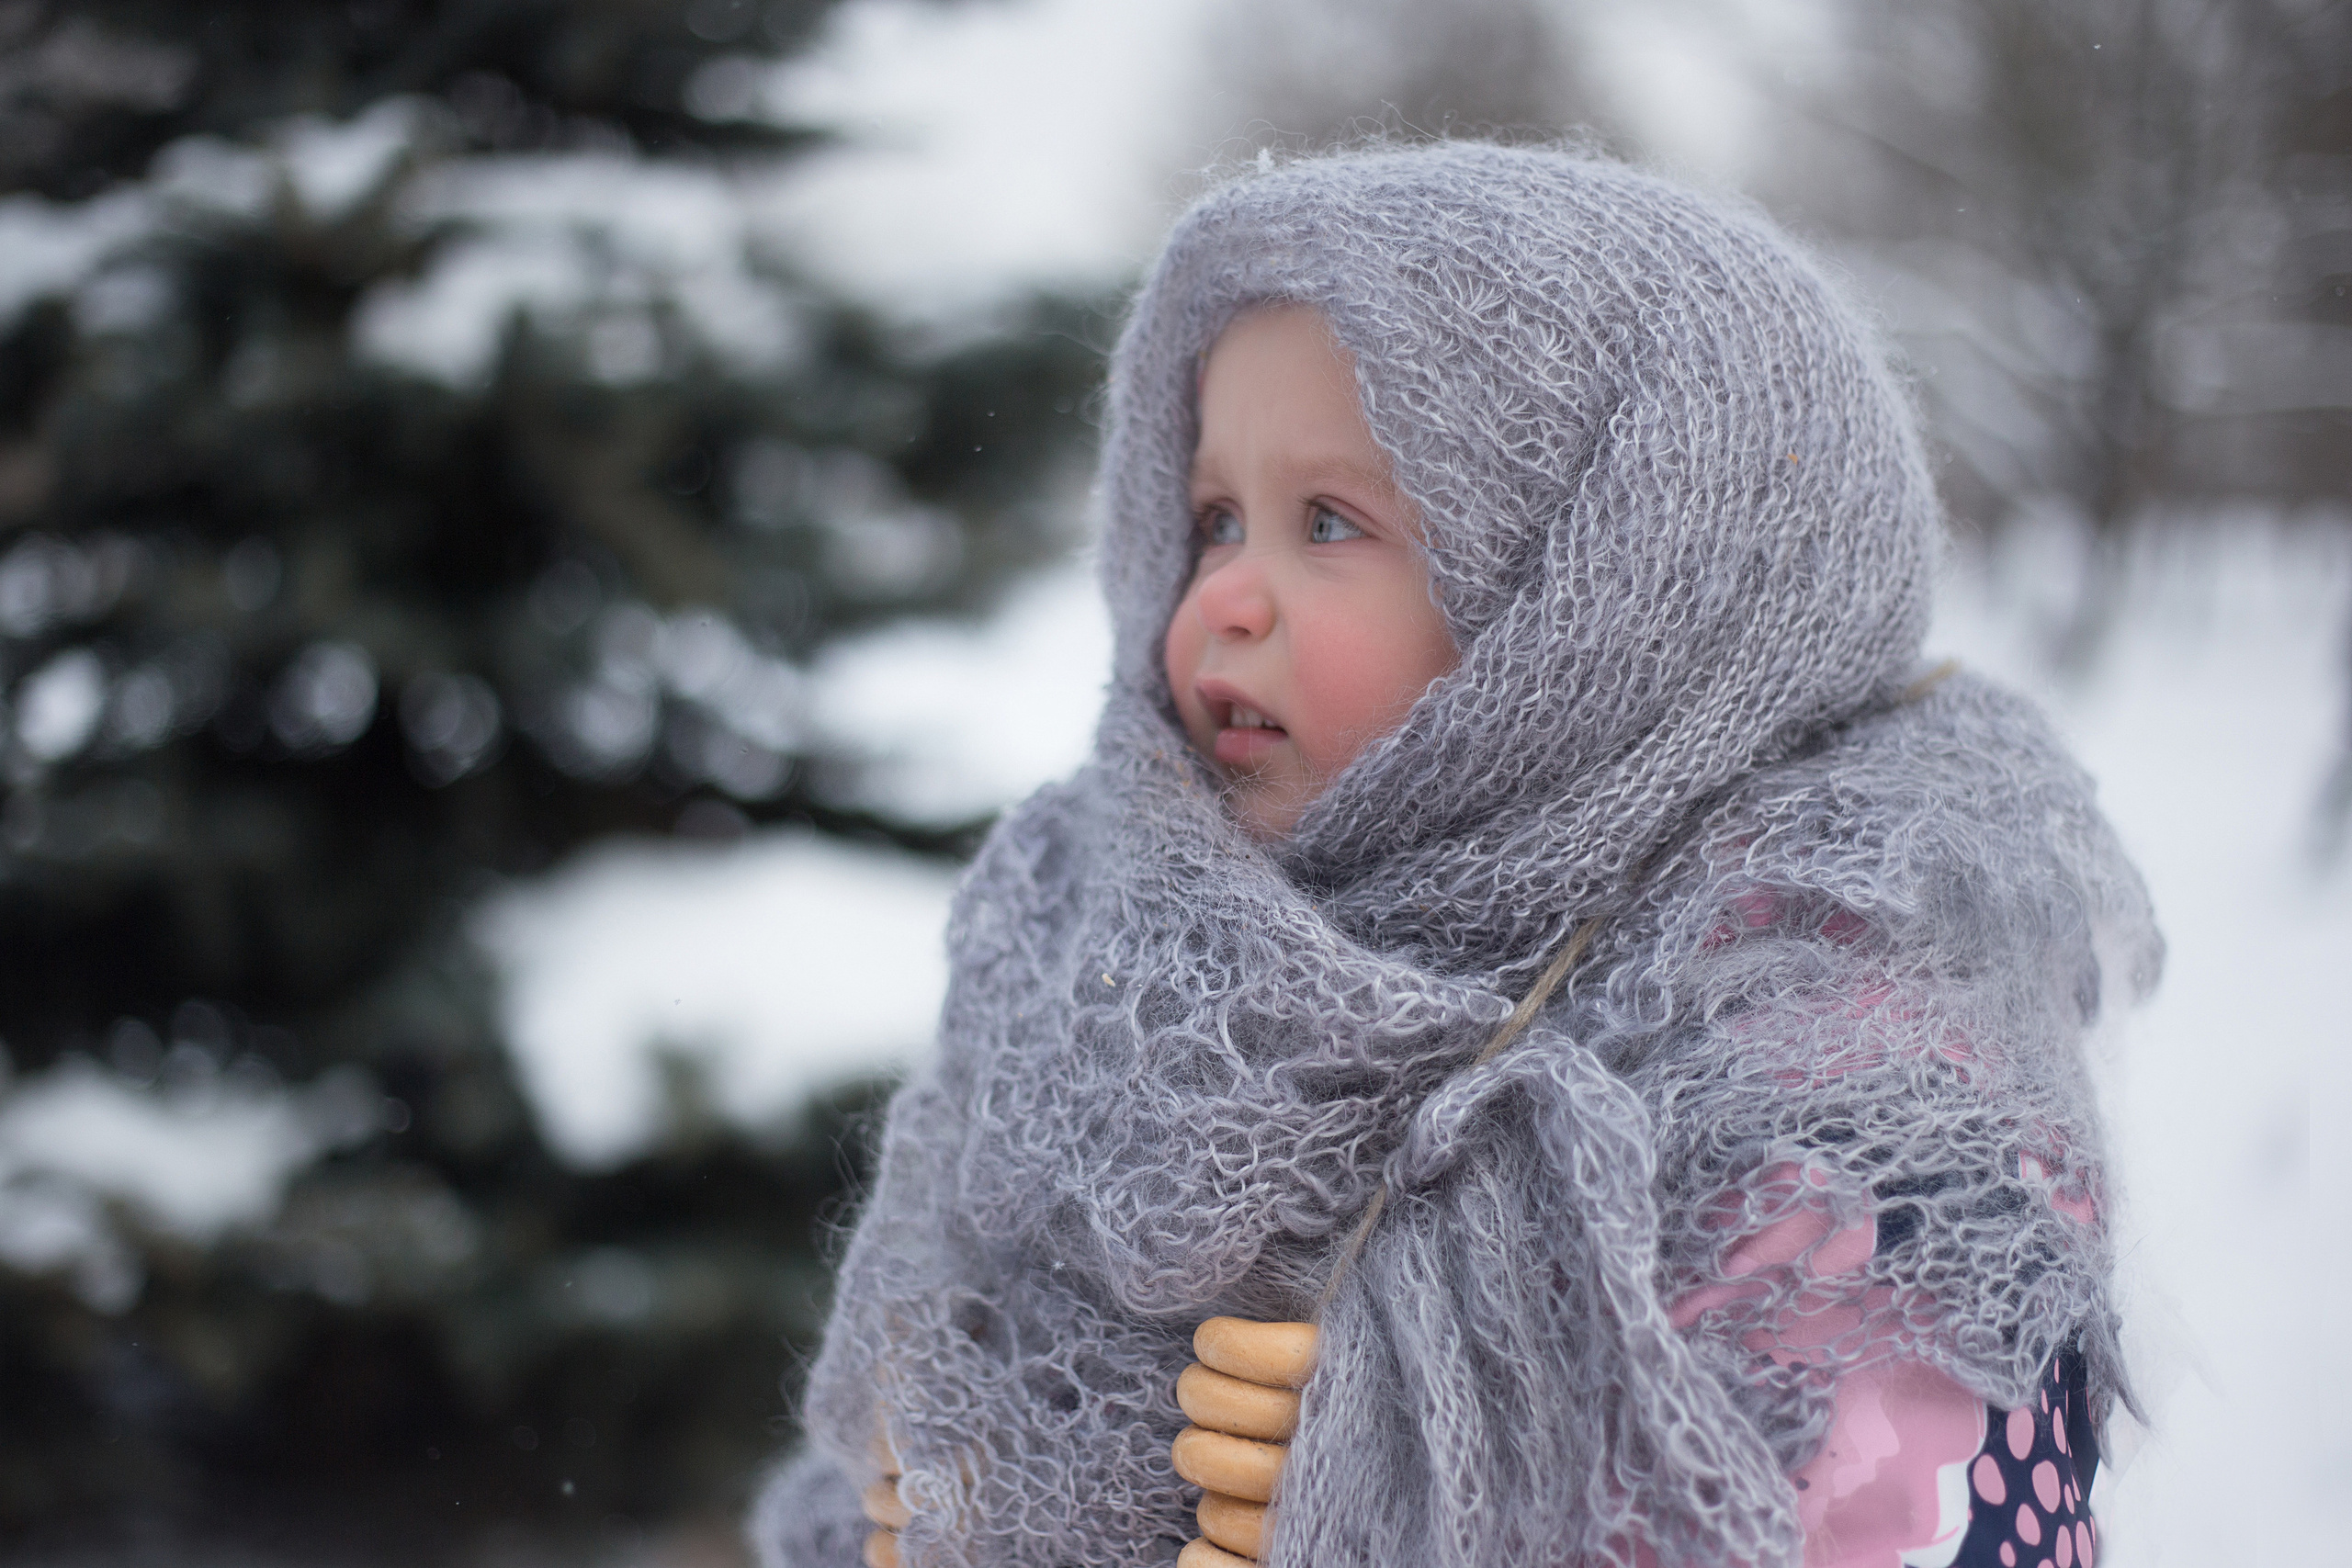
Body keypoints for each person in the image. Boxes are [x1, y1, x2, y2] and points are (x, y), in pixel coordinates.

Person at [750, 142, 2159, 1568]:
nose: (1224, 594)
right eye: (1211, 518)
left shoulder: (1850, 1087)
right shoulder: (1114, 954)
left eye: (1331, 522)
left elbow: (1891, 1519)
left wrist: (1428, 1476)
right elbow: (915, 1423)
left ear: (1620, 594)